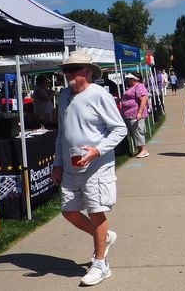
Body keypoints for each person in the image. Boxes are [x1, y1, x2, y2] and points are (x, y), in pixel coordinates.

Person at [50, 51, 127, 286]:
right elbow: (63, 133)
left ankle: (101, 263)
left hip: (96, 167)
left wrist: (97, 150)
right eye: (65, 71)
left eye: (72, 70)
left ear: (87, 71)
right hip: (71, 166)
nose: (68, 75)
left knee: (96, 211)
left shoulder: (99, 95)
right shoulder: (64, 96)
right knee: (69, 211)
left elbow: (119, 129)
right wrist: (57, 163)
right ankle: (102, 236)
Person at [121, 72, 150, 158]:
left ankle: (144, 150)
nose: (128, 80)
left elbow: (143, 99)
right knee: (134, 132)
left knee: (137, 131)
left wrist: (139, 113)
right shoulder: (131, 87)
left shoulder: (139, 86)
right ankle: (140, 150)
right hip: (129, 114)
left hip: (135, 113)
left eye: (129, 79)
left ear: (133, 79)